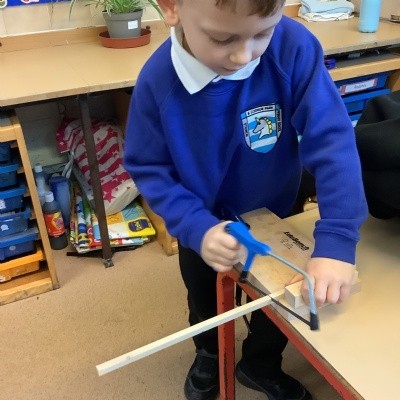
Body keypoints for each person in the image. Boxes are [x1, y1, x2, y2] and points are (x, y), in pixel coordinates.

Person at [123, 1, 368, 399]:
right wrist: (197, 228)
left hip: (276, 211)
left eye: (263, 33)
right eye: (222, 38)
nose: (243, 56)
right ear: (172, 7)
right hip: (202, 220)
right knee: (204, 299)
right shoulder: (157, 81)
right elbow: (149, 167)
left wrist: (338, 240)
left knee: (278, 302)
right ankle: (208, 353)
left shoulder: (292, 46)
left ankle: (261, 363)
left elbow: (333, 141)